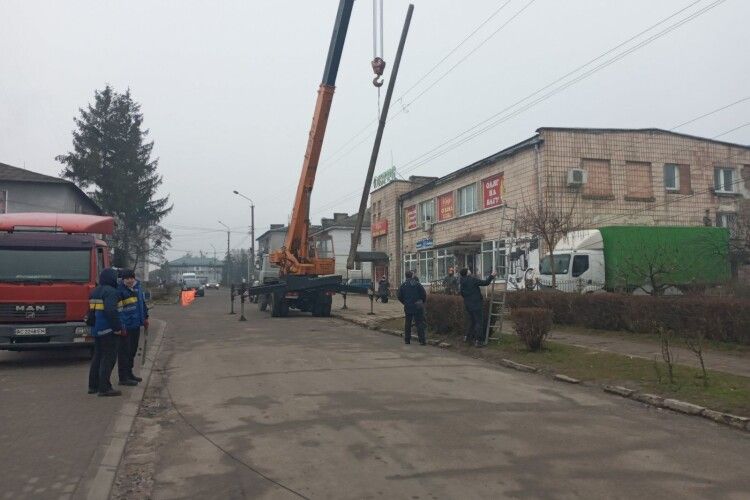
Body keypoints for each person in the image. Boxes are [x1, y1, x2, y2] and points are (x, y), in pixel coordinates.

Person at [88, 268, 125, 397]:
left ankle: (93, 386)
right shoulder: (112, 292)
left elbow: (91, 313)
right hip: (109, 330)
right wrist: (117, 328)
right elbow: (111, 311)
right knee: (108, 358)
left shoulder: (95, 291)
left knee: (97, 357)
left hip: (97, 329)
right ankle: (105, 387)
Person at [117, 269, 148, 386]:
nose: (130, 280)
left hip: (135, 324)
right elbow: (119, 311)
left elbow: (142, 303)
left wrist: (145, 317)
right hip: (126, 327)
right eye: (127, 278)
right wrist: (122, 326)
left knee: (132, 351)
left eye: (131, 278)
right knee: (124, 352)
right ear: (123, 279)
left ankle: (129, 373)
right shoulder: (120, 291)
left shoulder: (137, 288)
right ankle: (123, 377)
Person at [459, 267, 496, 347]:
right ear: (466, 273)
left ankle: (467, 337)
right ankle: (478, 341)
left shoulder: (461, 282)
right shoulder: (472, 280)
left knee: (472, 321)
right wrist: (492, 276)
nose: (469, 270)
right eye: (468, 269)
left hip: (468, 305)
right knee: (479, 322)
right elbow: (485, 283)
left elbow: (462, 293)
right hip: (476, 304)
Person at [397, 270, 427, 345]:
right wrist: (421, 301)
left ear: (405, 276)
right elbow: (424, 294)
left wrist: (405, 302)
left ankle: (407, 340)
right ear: (412, 276)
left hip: (408, 306)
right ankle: (422, 341)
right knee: (419, 323)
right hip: (417, 306)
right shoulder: (417, 284)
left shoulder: (403, 285)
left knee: (408, 323)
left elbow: (399, 296)